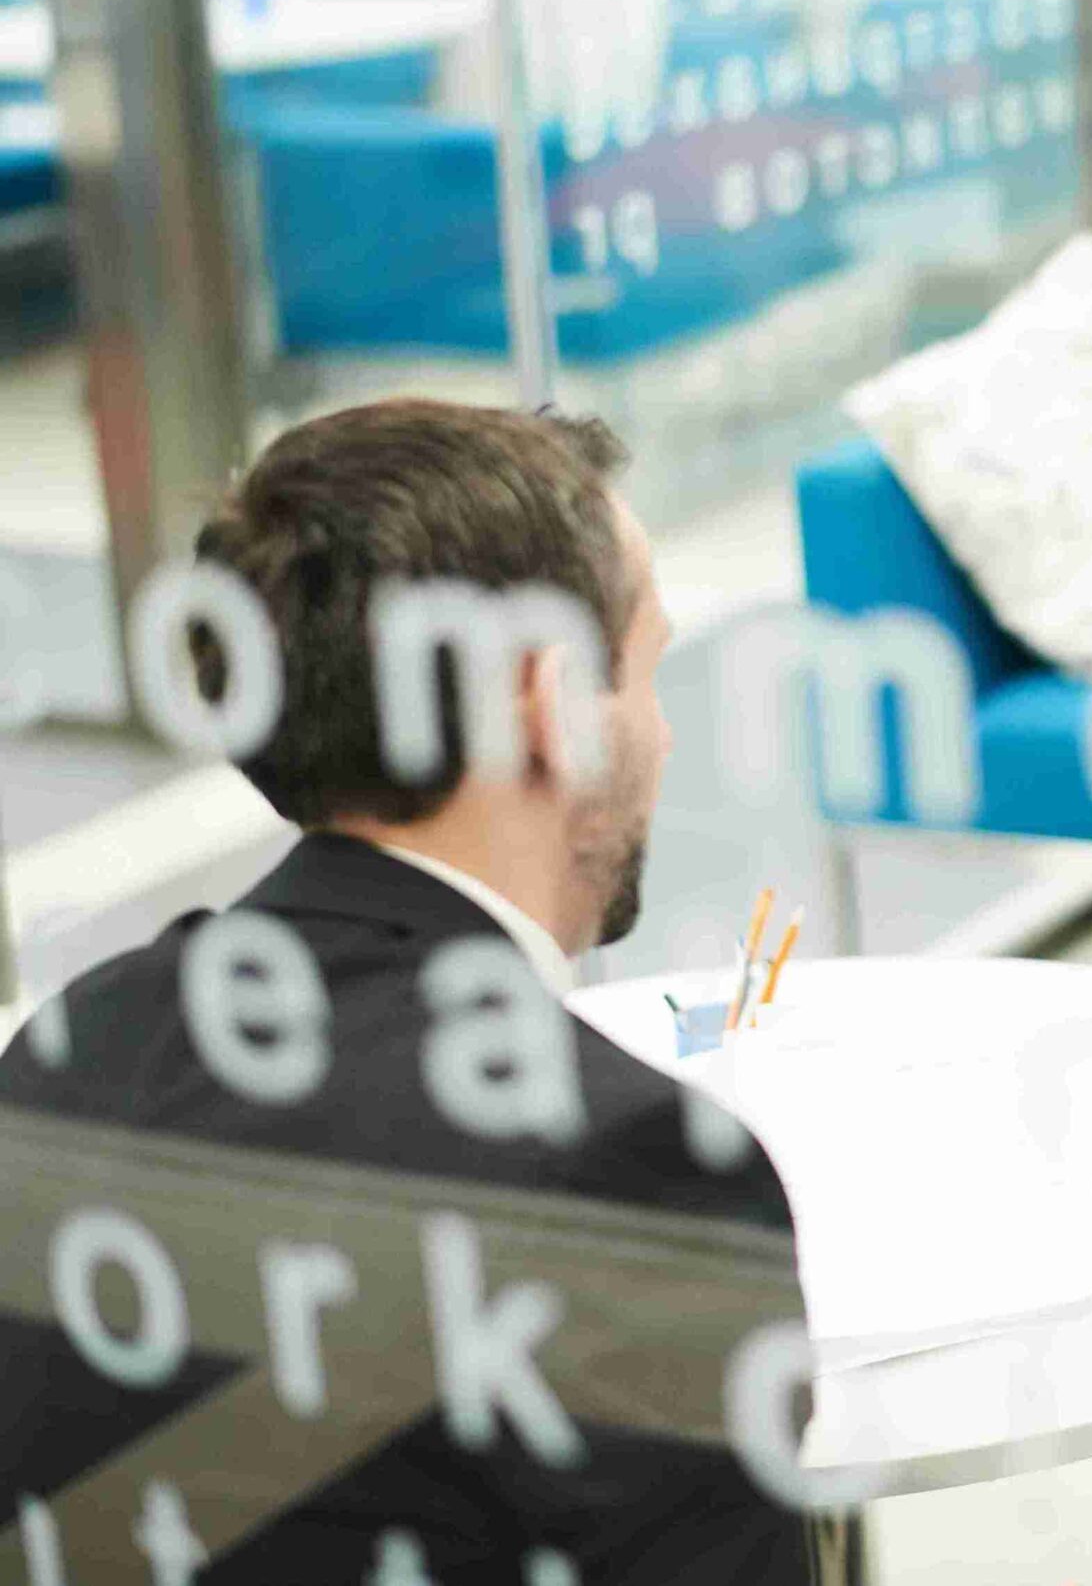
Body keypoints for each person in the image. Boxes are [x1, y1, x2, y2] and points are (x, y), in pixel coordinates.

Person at [0, 402, 808, 1581]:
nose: (664, 735)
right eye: (646, 672)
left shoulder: (73, 1043)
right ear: (551, 708)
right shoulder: (623, 1171)